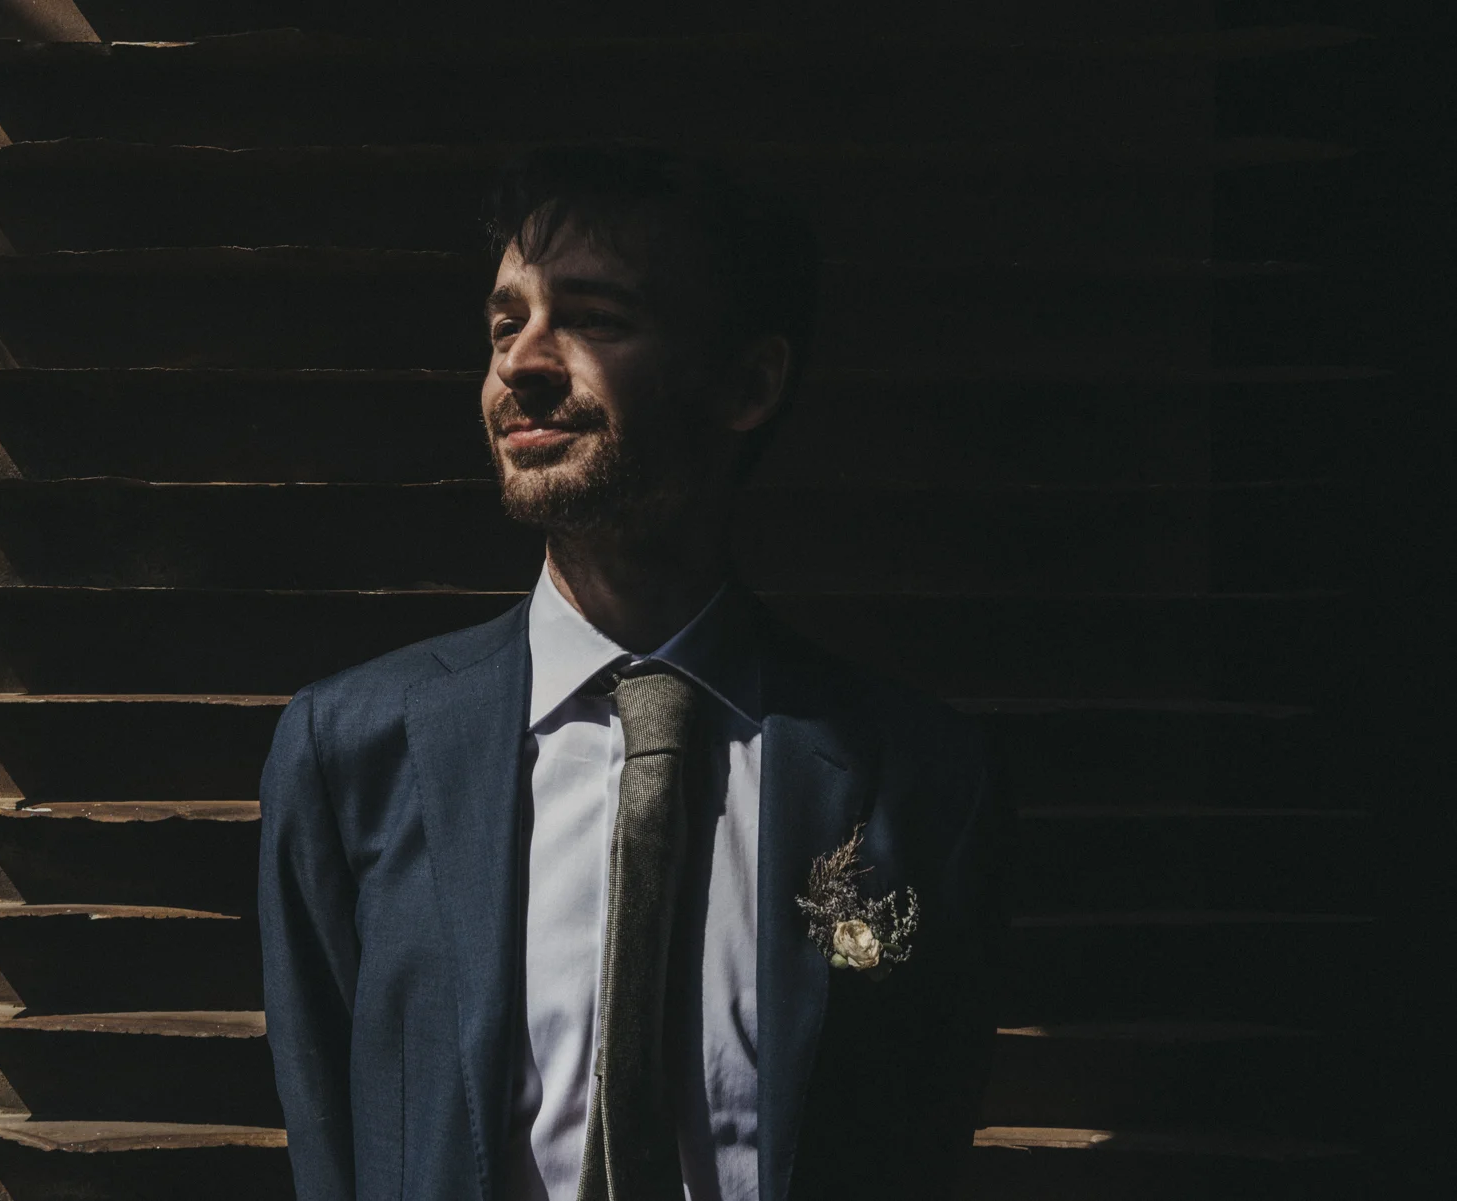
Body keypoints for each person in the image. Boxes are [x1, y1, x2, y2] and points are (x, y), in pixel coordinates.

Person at [258, 145, 1011, 1201]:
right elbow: (329, 1142)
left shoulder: (919, 780)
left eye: (593, 318)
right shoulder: (351, 751)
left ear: (748, 383)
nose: (522, 363)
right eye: (504, 324)